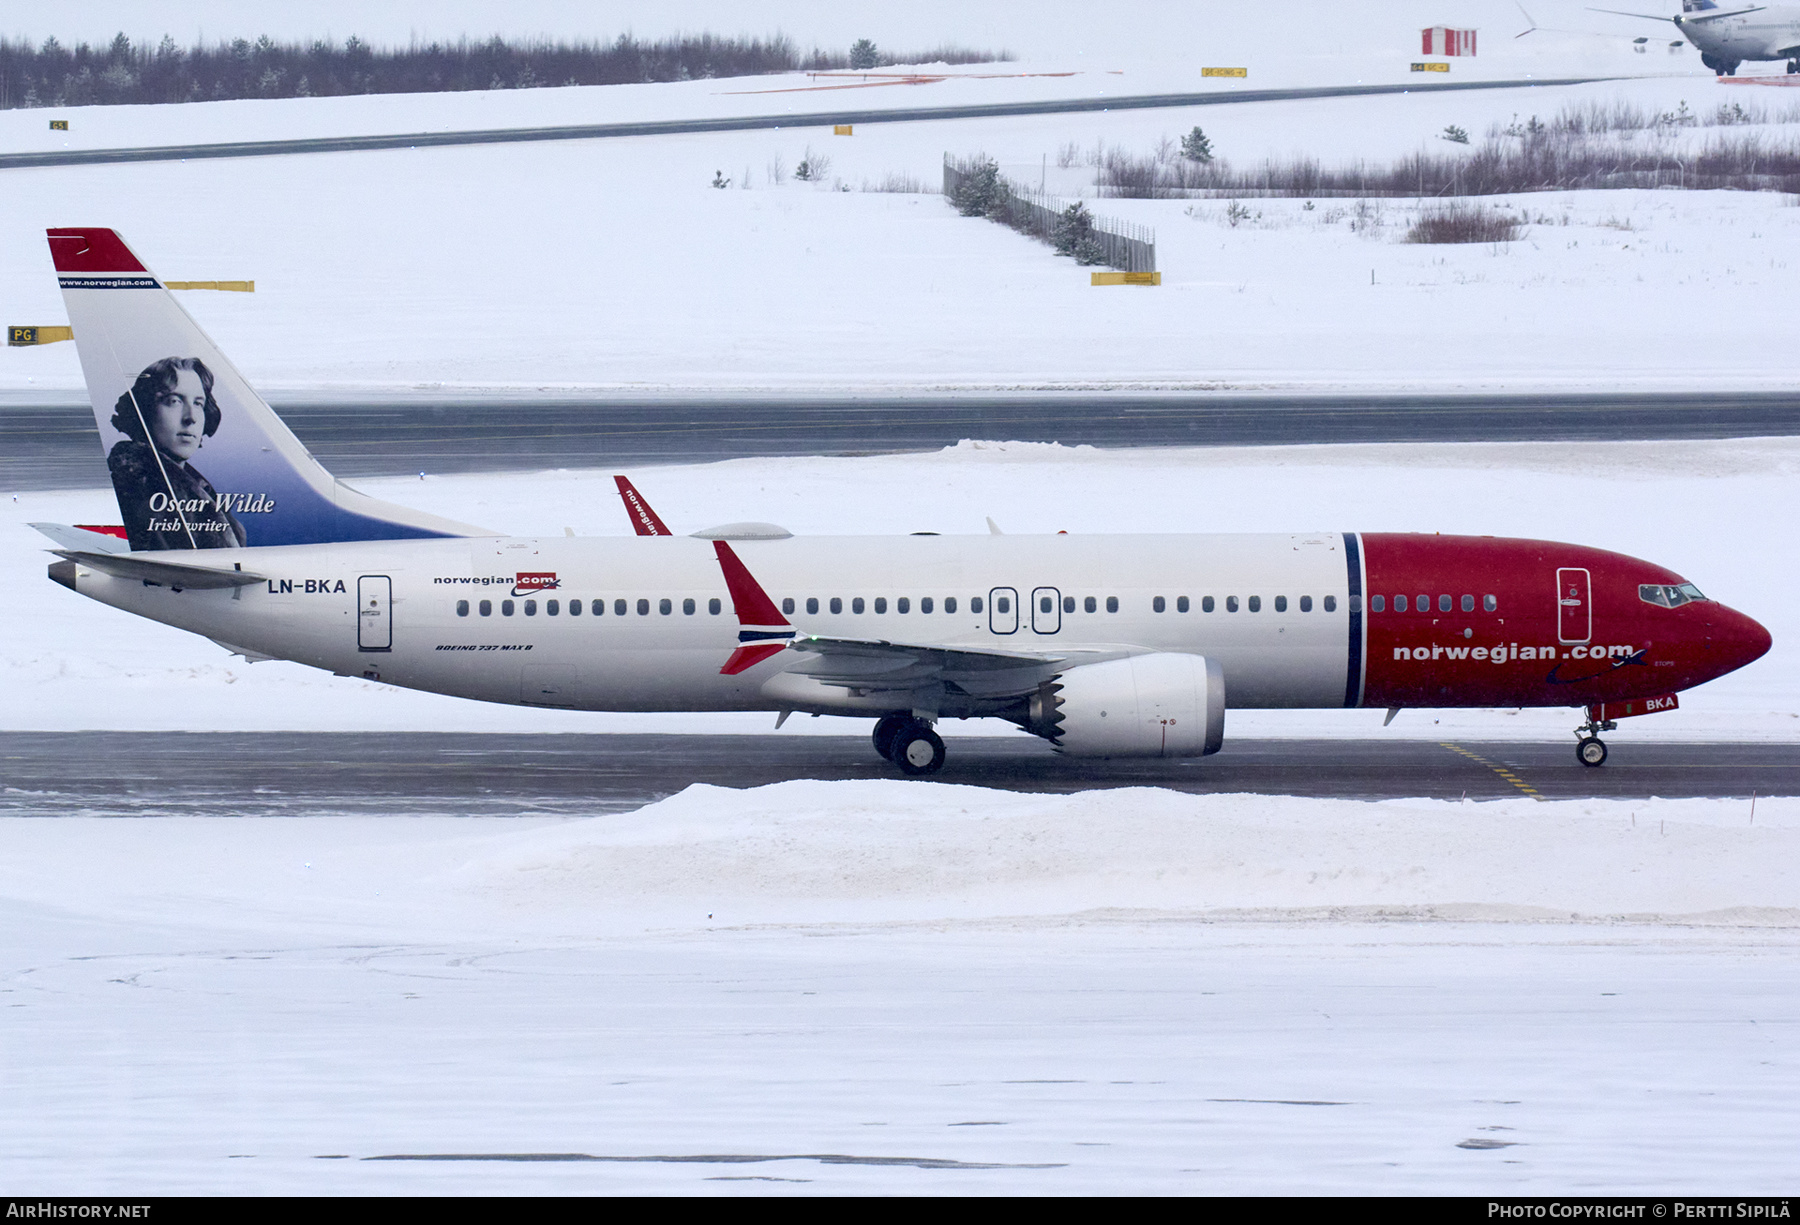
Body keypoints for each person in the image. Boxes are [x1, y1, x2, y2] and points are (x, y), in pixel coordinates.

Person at [107, 357, 246, 550]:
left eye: (198, 403)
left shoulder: (197, 488)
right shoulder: (141, 490)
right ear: (145, 410)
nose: (191, 418)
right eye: (174, 401)